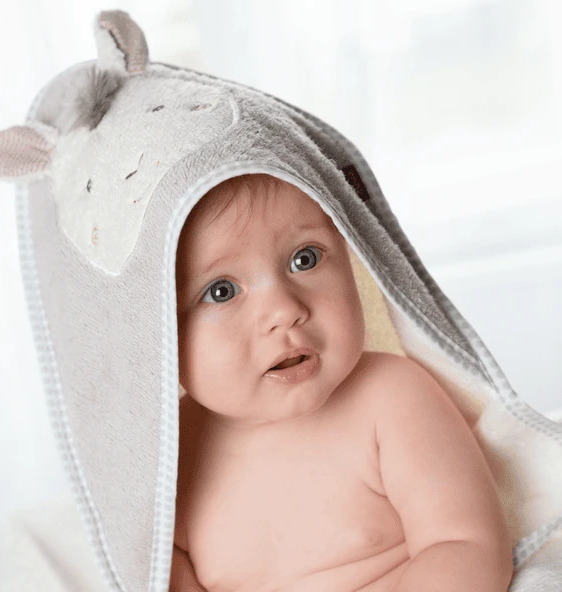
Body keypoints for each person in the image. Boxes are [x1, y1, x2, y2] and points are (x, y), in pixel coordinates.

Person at [170, 173, 514, 592]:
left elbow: (467, 545)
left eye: (305, 259)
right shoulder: (168, 454)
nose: (285, 309)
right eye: (221, 291)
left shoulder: (391, 399)